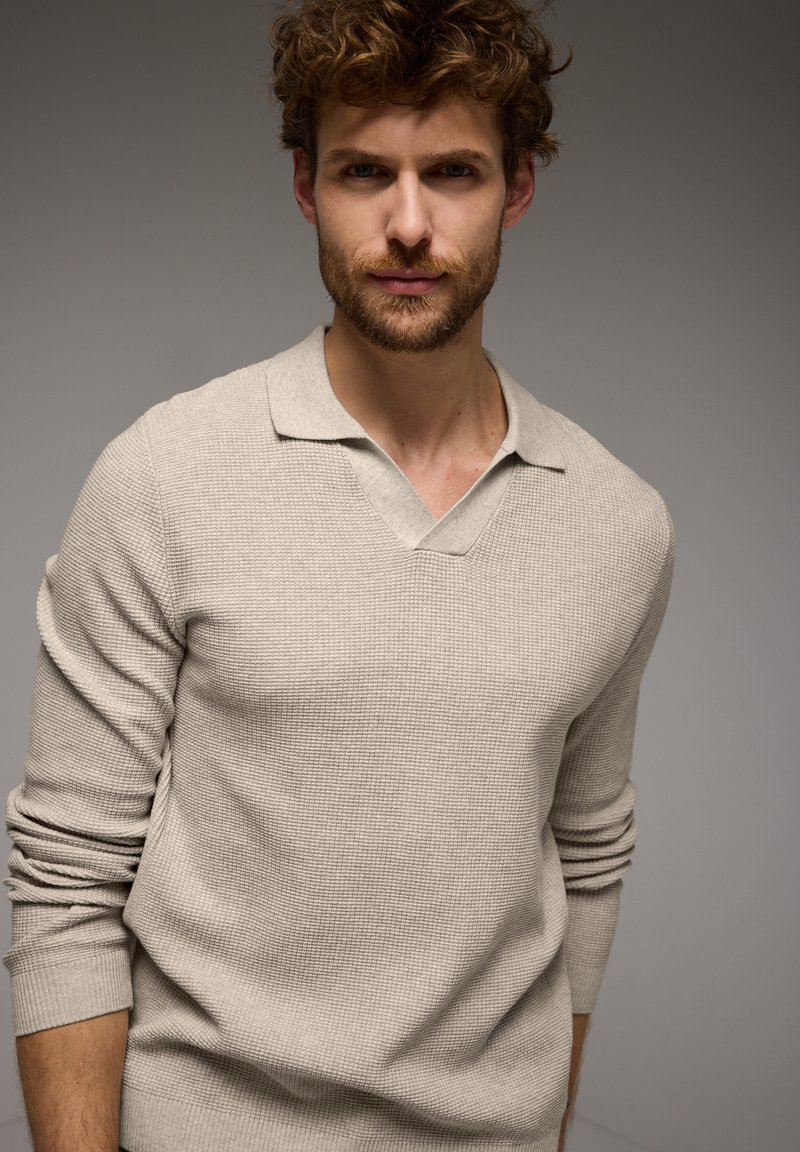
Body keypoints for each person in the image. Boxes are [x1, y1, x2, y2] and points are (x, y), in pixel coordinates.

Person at [4, 2, 675, 1150]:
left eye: (452, 173)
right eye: (365, 172)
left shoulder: (617, 524)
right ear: (306, 186)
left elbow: (585, 855)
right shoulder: (164, 477)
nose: (408, 225)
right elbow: (66, 878)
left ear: (515, 187)